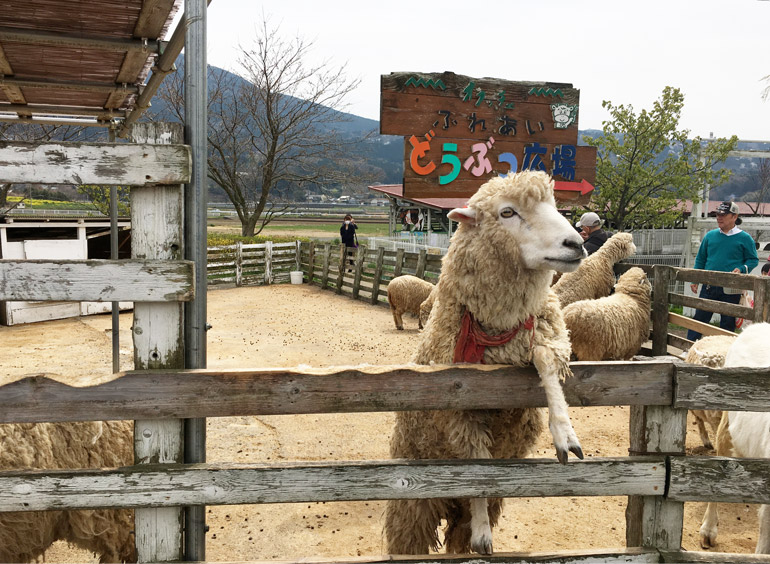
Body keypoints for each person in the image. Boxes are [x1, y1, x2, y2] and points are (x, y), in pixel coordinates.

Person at [687, 201, 759, 341]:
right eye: (718, 214)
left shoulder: (745, 238)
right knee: (700, 318)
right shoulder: (710, 236)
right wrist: (695, 279)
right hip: (708, 286)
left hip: (731, 288)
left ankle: (725, 351)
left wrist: (743, 269)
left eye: (723, 215)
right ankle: (688, 346)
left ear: (734, 217)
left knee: (727, 322)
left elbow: (753, 260)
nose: (719, 217)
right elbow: (701, 259)